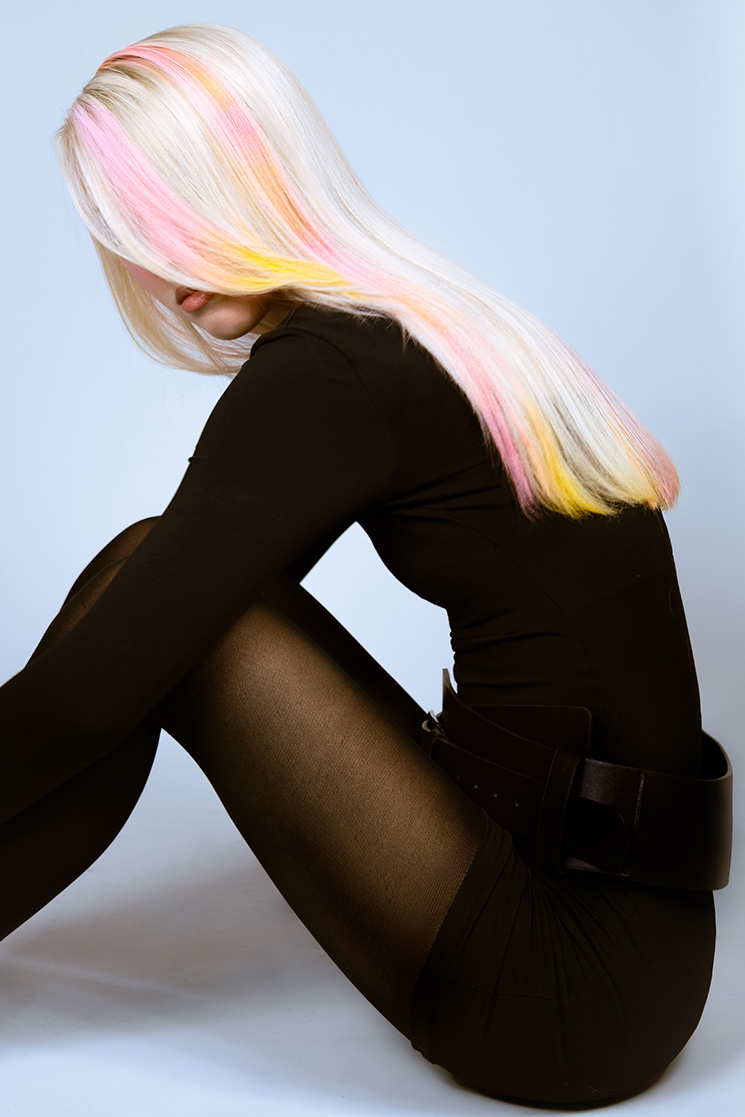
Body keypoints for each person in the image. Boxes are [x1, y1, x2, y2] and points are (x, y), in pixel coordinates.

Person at [0, 22, 731, 1109]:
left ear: (256, 176)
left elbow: (97, 691)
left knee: (146, 611)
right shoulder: (418, 326)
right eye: (126, 232)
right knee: (158, 614)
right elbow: (159, 638)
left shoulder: (335, 370)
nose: (158, 270)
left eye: (172, 207)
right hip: (643, 955)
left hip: (568, 986)